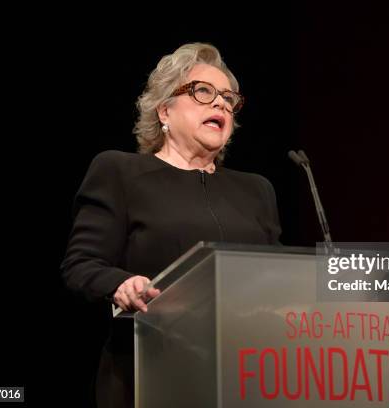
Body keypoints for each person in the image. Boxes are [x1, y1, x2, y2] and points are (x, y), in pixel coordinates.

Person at [60, 43, 282, 408]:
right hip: (150, 372)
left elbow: (275, 279)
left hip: (245, 377)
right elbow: (81, 264)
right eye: (203, 92)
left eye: (228, 97)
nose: (221, 104)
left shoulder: (257, 190)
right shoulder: (121, 172)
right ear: (164, 109)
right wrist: (121, 284)